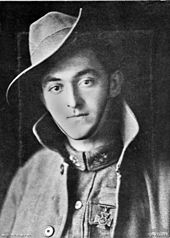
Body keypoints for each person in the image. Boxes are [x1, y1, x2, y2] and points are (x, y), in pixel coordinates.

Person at [0, 8, 170, 238]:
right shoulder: (29, 176)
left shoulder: (162, 179)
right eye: (56, 87)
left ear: (114, 84)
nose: (73, 102)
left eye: (86, 81)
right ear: (44, 98)